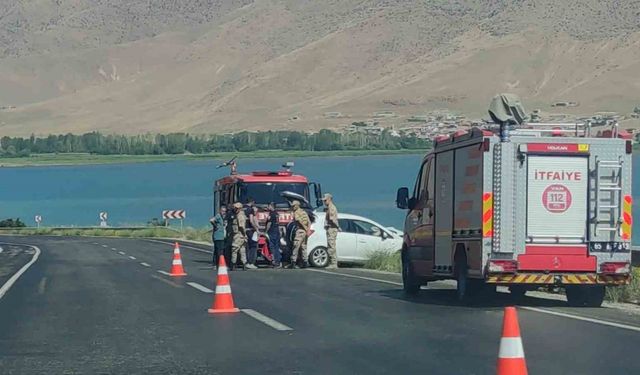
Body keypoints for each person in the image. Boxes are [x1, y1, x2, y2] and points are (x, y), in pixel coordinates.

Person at [288, 200, 310, 269]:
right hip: (305, 232)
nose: (293, 207)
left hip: (300, 230)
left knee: (296, 246)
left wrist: (305, 228)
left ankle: (293, 262)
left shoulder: (296, 212)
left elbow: (299, 221)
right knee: (303, 247)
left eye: (294, 206)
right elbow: (309, 222)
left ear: (297, 205)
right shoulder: (304, 212)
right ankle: (305, 262)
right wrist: (307, 230)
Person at [323, 193, 340, 269]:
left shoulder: (331, 207)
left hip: (332, 228)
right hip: (330, 228)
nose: (324, 202)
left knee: (331, 245)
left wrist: (337, 226)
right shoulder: (329, 207)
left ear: (329, 199)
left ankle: (333, 263)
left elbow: (332, 219)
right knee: (330, 245)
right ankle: (332, 262)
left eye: (325, 200)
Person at [230, 202, 248, 271]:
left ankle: (233, 264)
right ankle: (244, 264)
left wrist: (244, 234)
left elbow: (241, 226)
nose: (234, 209)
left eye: (236, 208)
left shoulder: (240, 216)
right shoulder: (239, 215)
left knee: (234, 249)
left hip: (238, 235)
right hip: (240, 235)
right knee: (242, 250)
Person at [244, 198, 259, 269]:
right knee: (253, 246)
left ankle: (245, 261)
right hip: (250, 230)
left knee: (245, 247)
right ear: (252, 202)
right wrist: (256, 228)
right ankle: (251, 262)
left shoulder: (242, 209)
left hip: (243, 230)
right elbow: (251, 220)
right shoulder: (250, 209)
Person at [265, 202, 281, 268]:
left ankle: (275, 262)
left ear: (271, 206)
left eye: (268, 206)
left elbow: (269, 224)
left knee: (272, 247)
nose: (267, 207)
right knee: (277, 247)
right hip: (277, 231)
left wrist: (265, 231)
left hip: (272, 232)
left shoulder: (271, 214)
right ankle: (278, 262)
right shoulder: (277, 213)